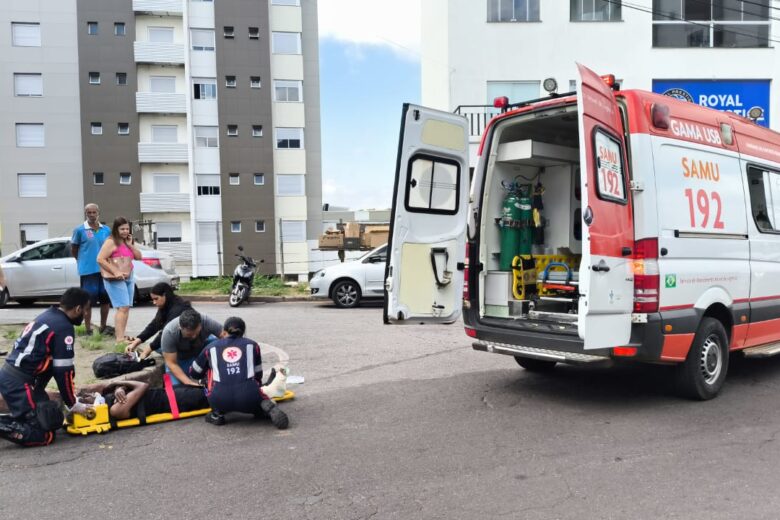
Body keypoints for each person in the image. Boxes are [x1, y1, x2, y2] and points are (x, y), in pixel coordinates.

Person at [0, 288, 90, 447]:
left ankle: (18, 419)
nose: (86, 315)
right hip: (18, 383)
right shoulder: (64, 327)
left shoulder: (50, 315)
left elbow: (55, 365)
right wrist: (73, 403)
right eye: (86, 310)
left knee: (46, 418)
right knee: (44, 435)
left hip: (15, 377)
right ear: (78, 309)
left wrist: (40, 392)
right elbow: (63, 372)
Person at [189, 317, 288, 429]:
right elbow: (258, 375)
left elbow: (194, 373)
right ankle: (259, 409)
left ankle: (217, 414)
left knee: (211, 371)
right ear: (243, 333)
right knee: (253, 389)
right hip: (249, 397)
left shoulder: (211, 347)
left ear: (224, 332)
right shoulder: (253, 345)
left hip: (220, 399)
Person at [97, 217, 142, 343]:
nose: (125, 231)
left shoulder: (127, 241)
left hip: (128, 274)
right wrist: (115, 271)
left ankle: (121, 336)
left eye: (127, 228)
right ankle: (119, 339)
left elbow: (139, 257)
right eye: (122, 229)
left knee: (125, 307)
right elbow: (100, 259)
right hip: (114, 278)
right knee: (122, 307)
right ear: (116, 229)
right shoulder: (111, 241)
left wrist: (130, 245)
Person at [71, 203, 113, 336]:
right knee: (88, 300)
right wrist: (82, 261)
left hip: (104, 270)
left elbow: (111, 248)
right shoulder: (79, 230)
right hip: (88, 271)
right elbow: (74, 249)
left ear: (98, 213)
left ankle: (103, 326)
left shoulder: (106, 230)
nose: (92, 215)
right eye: (89, 212)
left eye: (94, 212)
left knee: (105, 298)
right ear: (85, 213)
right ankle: (88, 328)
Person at [77, 380, 208, 421]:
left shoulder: (108, 400)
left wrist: (119, 387)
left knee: (206, 385)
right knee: (211, 394)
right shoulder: (115, 410)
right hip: (176, 400)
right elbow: (142, 386)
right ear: (89, 406)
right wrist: (117, 384)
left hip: (170, 392)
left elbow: (130, 389)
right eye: (86, 398)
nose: (89, 394)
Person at [125, 283, 192, 359]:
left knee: (161, 347)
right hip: (179, 340)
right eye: (153, 299)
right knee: (158, 346)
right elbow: (154, 325)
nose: (154, 302)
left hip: (191, 343)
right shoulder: (166, 305)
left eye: (156, 299)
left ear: (165, 295)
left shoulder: (178, 309)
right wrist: (136, 342)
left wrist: (146, 351)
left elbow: (166, 333)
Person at [160, 309, 224, 386]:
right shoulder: (169, 332)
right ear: (180, 327)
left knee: (219, 344)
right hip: (180, 359)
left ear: (200, 325)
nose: (193, 337)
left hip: (201, 349)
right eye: (189, 335)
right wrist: (189, 382)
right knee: (175, 390)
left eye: (196, 333)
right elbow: (171, 363)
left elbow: (227, 337)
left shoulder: (206, 321)